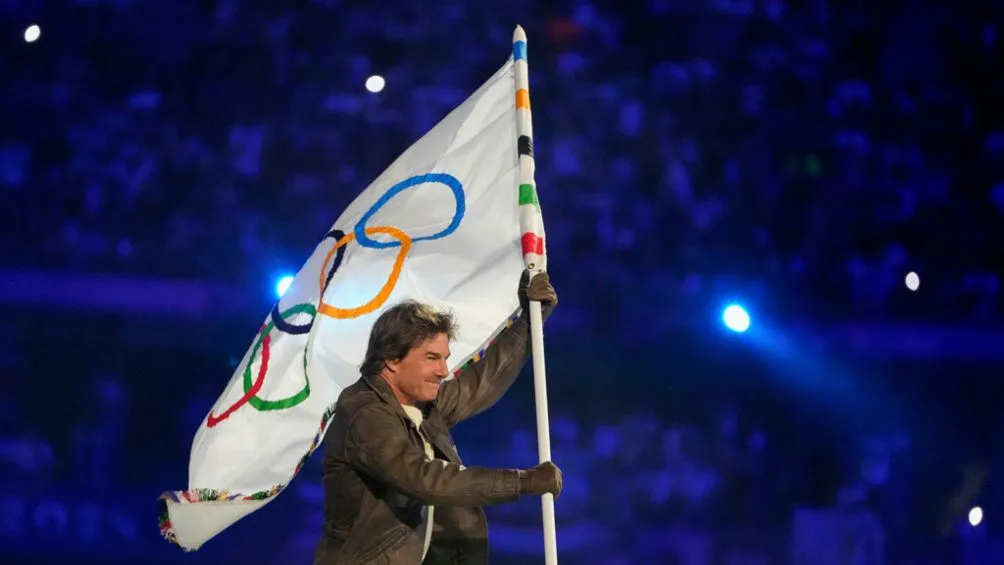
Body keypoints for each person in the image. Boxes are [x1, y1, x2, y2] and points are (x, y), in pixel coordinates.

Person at [315, 270, 563, 565]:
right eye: (431, 358)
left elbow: (482, 382)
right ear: (391, 360)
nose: (444, 371)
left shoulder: (419, 402)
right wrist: (522, 481)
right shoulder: (365, 412)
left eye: (445, 358)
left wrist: (529, 323)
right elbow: (425, 479)